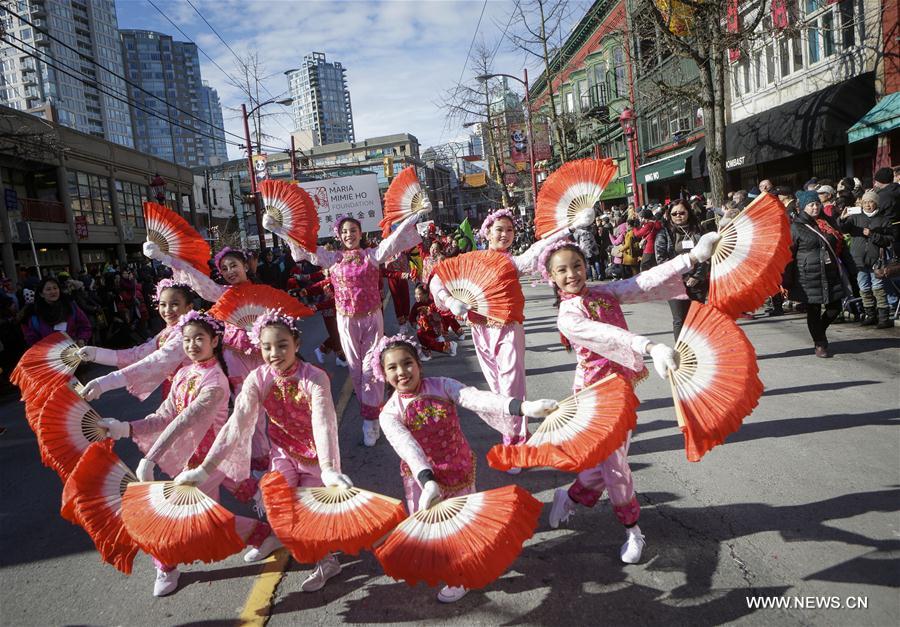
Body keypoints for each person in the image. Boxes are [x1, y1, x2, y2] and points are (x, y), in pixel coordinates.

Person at [539, 231, 720, 565]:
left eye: (577, 265)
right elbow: (609, 335)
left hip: (622, 389)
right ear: (551, 277)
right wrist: (650, 347)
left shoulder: (604, 293)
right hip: (594, 396)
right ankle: (632, 528)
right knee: (617, 466)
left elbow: (643, 281)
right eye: (562, 270)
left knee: (609, 462)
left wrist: (693, 257)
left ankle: (570, 496)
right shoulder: (568, 315)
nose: (572, 274)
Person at [370, 334, 558, 603]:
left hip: (458, 470)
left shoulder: (442, 386)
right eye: (393, 367)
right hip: (422, 482)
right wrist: (427, 480)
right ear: (384, 373)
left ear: (419, 364)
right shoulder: (389, 413)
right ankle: (451, 567)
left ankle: (460, 576)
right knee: (437, 533)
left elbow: (477, 398)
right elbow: (408, 447)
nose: (402, 372)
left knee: (461, 527)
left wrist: (523, 407)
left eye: (407, 363)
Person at [97, 312, 273, 597]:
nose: (192, 345)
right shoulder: (183, 373)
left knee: (179, 517)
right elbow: (164, 416)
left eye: (199, 339)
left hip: (209, 462)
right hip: (188, 460)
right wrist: (124, 428)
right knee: (209, 520)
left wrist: (150, 458)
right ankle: (262, 534)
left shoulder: (216, 383)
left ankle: (166, 566)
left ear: (215, 341)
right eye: (187, 340)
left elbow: (183, 421)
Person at [176, 309, 351, 590]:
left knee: (308, 512)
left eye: (282, 345)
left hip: (317, 456)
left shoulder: (315, 378)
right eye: (267, 347)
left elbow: (324, 423)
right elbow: (236, 425)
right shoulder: (258, 378)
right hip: (282, 454)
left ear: (296, 344)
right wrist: (204, 469)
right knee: (277, 503)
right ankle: (302, 545)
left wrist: (329, 469)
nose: (275, 353)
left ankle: (326, 561)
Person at [429, 206, 594, 467]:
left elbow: (540, 248)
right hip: (480, 330)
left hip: (507, 328)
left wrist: (570, 228)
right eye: (499, 230)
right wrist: (450, 301)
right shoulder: (470, 259)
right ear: (487, 233)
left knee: (511, 386)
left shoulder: (513, 262)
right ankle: (514, 433)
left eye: (509, 230)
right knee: (496, 389)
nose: (505, 234)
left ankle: (516, 444)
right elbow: (437, 279)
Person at [265, 212, 425, 447]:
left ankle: (370, 422)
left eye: (353, 230)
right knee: (356, 370)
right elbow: (305, 247)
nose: (349, 235)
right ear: (339, 236)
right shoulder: (332, 258)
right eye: (345, 232)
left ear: (360, 233)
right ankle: (369, 411)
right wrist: (277, 229)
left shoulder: (372, 255)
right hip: (346, 320)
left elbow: (394, 240)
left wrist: (416, 215)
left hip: (372, 318)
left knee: (371, 368)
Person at [77, 280, 195, 400]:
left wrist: (103, 383)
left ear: (189, 307)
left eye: (174, 304)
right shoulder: (169, 330)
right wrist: (96, 354)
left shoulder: (186, 335)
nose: (167, 310)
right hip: (175, 389)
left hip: (190, 391)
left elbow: (154, 362)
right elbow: (138, 353)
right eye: (163, 304)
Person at [783, 191, 849, 357]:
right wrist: (786, 279)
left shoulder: (827, 222)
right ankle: (820, 343)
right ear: (802, 207)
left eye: (817, 204)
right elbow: (788, 254)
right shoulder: (796, 227)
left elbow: (838, 243)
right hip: (807, 274)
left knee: (835, 307)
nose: (815, 207)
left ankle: (819, 330)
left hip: (830, 271)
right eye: (811, 205)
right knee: (813, 308)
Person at [655, 199, 711, 338]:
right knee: (680, 320)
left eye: (682, 212)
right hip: (675, 283)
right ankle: (682, 356)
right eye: (674, 214)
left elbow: (707, 255)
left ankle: (696, 352)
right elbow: (661, 259)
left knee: (697, 319)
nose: (678, 216)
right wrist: (683, 277)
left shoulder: (698, 230)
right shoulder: (664, 233)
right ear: (669, 215)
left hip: (697, 282)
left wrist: (697, 276)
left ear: (688, 213)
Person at [840, 190, 895, 328]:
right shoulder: (855, 218)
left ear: (876, 203)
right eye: (865, 202)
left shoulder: (884, 220)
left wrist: (872, 235)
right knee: (863, 287)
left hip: (876, 259)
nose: (867, 205)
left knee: (878, 287)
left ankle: (883, 317)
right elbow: (842, 229)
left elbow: (888, 240)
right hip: (858, 259)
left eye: (870, 202)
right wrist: (842, 219)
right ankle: (870, 315)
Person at [19, 277, 92, 347]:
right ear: (41, 294)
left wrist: (82, 338)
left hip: (72, 353)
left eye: (55, 288)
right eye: (48, 289)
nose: (53, 292)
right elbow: (31, 337)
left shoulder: (70, 307)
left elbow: (85, 326)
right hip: (48, 355)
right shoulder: (34, 313)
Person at [409, 284, 458, 359]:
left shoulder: (433, 303)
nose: (416, 296)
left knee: (422, 336)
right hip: (424, 329)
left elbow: (444, 314)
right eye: (415, 294)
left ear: (426, 294)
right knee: (422, 336)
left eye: (419, 294)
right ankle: (444, 347)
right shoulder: (417, 305)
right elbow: (412, 316)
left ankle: (448, 346)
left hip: (435, 329)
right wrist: (414, 324)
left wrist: (443, 329)